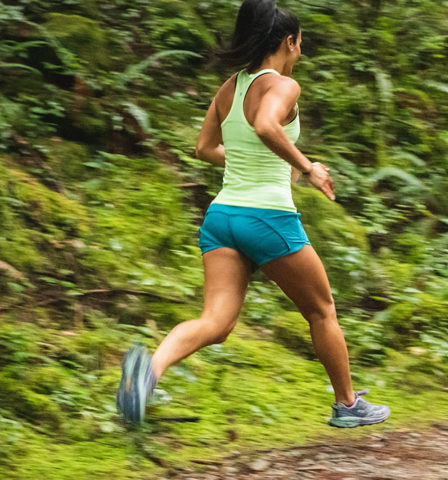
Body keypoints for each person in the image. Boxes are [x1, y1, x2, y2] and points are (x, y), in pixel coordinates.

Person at [116, 0, 390, 429]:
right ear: (288, 41)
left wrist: (259, 163)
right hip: (266, 218)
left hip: (222, 216)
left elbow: (204, 149)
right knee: (322, 310)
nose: (301, 50)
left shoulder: (230, 87)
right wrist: (308, 168)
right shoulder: (282, 86)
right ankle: (348, 404)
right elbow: (265, 125)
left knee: (216, 323)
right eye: (301, 42)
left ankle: (147, 373)